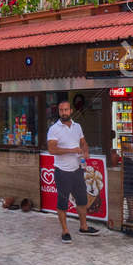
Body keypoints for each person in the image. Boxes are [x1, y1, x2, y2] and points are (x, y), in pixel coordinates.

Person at [46, 99, 97, 240]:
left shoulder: (77, 127)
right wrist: (71, 150)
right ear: (59, 112)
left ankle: (83, 227)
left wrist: (85, 152)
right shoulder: (54, 129)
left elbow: (83, 143)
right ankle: (65, 232)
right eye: (61, 110)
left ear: (71, 111)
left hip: (77, 169)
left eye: (66, 110)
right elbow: (51, 149)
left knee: (82, 200)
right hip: (62, 172)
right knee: (62, 203)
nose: (64, 113)